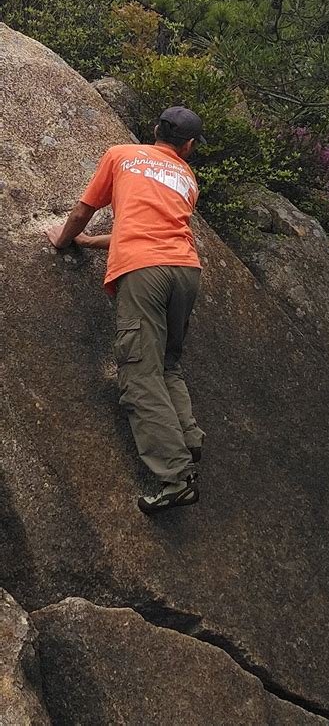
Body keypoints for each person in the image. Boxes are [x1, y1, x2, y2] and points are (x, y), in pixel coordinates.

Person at [46, 106, 206, 514]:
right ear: (187, 146)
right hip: (185, 271)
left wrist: (65, 239)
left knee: (138, 371)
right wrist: (90, 242)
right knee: (169, 362)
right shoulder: (187, 178)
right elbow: (146, 229)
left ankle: (175, 476)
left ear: (154, 130)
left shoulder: (121, 155)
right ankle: (187, 438)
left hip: (144, 272)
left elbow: (85, 210)